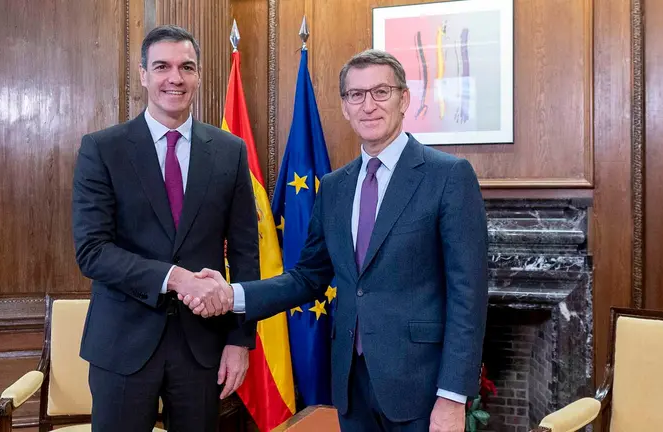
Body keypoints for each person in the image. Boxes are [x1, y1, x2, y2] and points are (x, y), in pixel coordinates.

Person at [182, 49, 489, 432]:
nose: (368, 105)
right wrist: (233, 295)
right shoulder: (334, 187)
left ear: (404, 99)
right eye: (356, 95)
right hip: (349, 385)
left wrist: (453, 396)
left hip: (421, 390)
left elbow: (468, 297)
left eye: (381, 92)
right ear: (344, 107)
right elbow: (308, 276)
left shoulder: (448, 177)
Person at [71, 24, 259, 432]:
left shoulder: (229, 151)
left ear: (198, 75)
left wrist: (240, 341)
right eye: (162, 66)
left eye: (186, 67)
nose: (175, 77)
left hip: (203, 348)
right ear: (143, 74)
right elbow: (92, 251)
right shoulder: (103, 149)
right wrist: (175, 279)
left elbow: (246, 253)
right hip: (122, 345)